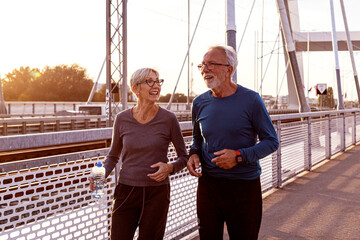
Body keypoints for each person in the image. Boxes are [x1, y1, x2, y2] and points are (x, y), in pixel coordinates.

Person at [187, 45, 279, 240]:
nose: (205, 69)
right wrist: (193, 154)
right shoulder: (199, 102)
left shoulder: (251, 100)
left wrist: (238, 156)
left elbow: (271, 141)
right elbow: (197, 138)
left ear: (229, 69)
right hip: (208, 186)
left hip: (243, 187)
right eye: (202, 65)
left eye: (211, 64)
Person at [89, 68, 188, 240]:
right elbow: (113, 156)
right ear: (136, 89)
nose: (156, 86)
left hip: (157, 194)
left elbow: (184, 158)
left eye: (158, 81)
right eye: (150, 81)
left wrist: (169, 168)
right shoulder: (121, 119)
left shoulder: (169, 119)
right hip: (126, 192)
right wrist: (100, 174)